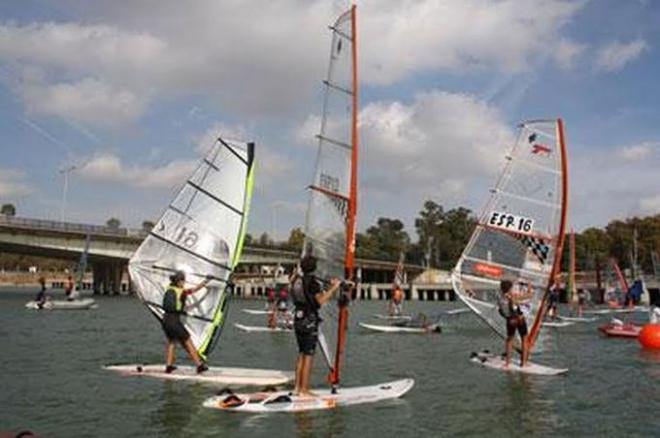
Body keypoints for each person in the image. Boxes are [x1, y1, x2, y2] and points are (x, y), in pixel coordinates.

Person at [290, 255, 341, 397]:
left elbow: (301, 295)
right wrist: (333, 288)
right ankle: (304, 390)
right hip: (309, 321)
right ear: (315, 268)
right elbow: (320, 300)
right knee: (308, 356)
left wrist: (326, 285)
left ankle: (297, 388)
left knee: (301, 353)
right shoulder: (312, 283)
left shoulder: (296, 280)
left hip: (298, 318)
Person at [161, 271, 211, 374]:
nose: (184, 283)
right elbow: (194, 290)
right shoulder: (181, 291)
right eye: (183, 281)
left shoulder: (169, 289)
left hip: (165, 320)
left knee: (172, 342)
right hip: (174, 320)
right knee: (188, 341)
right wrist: (205, 281)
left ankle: (169, 366)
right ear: (179, 281)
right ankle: (199, 365)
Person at [498, 280, 532, 368]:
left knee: (509, 339)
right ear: (510, 288)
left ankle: (507, 363)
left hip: (509, 320)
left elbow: (501, 311)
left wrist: (507, 317)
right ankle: (523, 363)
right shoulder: (512, 296)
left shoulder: (500, 297)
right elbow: (528, 296)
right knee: (524, 339)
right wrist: (529, 287)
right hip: (519, 319)